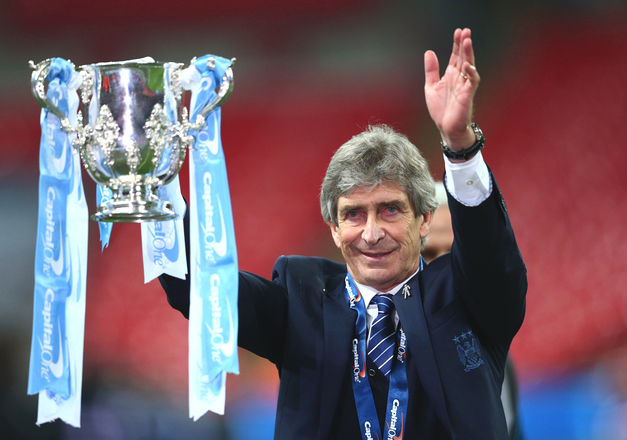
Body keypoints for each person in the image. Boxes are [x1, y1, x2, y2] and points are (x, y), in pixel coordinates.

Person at [160, 28, 527, 440]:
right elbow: (199, 288)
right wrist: (153, 187)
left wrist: (460, 147)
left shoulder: (466, 299)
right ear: (334, 230)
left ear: (425, 219)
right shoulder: (303, 302)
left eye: (390, 209)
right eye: (353, 214)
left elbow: (491, 256)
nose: (371, 234)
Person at [423, 181, 524, 440]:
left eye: (455, 256)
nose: (444, 270)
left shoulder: (496, 358)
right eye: (430, 253)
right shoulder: (372, 354)